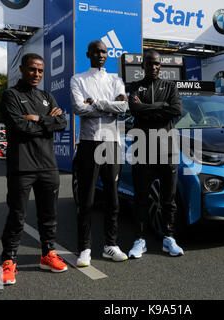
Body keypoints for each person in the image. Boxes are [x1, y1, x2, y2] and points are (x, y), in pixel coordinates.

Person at [0, 53, 68, 285]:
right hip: (22, 167)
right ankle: (8, 261)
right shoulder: (11, 95)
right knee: (17, 217)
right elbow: (19, 127)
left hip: (48, 166)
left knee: (49, 217)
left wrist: (38, 119)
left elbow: (62, 123)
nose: (36, 74)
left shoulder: (47, 96)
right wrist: (47, 123)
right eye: (31, 69)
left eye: (40, 70)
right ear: (22, 68)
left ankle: (48, 255)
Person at [70, 40, 129, 267]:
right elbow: (78, 108)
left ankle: (110, 245)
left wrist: (95, 102)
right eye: (96, 51)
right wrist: (109, 105)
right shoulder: (78, 79)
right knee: (86, 200)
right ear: (88, 54)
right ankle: (84, 248)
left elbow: (123, 108)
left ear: (107, 54)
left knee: (113, 198)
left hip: (112, 143)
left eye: (104, 51)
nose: (100, 54)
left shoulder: (116, 79)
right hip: (88, 143)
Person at [127, 49, 184, 258]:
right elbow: (134, 109)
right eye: (150, 64)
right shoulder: (135, 87)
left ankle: (169, 239)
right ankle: (139, 240)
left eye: (157, 64)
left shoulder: (170, 87)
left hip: (167, 150)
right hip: (142, 149)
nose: (154, 67)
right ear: (143, 65)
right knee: (141, 197)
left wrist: (149, 108)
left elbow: (175, 110)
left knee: (168, 199)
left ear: (161, 66)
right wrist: (161, 107)